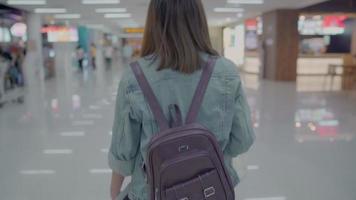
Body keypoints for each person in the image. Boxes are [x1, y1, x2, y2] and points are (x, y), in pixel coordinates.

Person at [108, 0, 255, 200]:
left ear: (154, 22)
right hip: (210, 189)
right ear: (199, 21)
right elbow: (242, 140)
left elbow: (123, 152)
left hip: (152, 192)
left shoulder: (134, 77)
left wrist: (114, 192)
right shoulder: (226, 72)